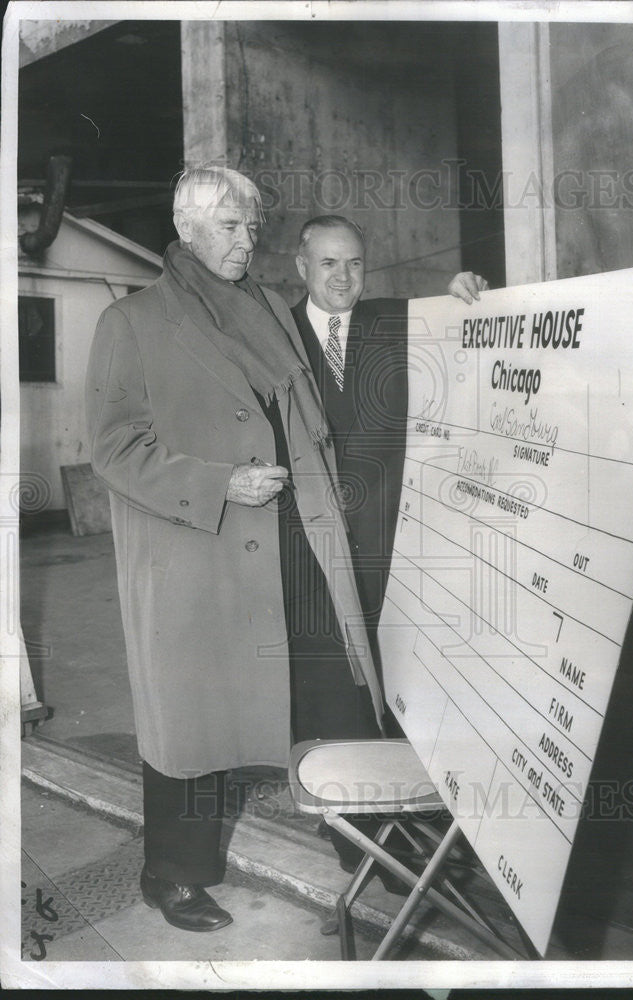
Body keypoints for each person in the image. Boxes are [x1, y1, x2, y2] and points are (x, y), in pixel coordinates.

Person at [85, 167, 384, 932]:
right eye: (228, 226)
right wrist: (221, 483)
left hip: (294, 534)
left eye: (251, 226)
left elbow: (348, 323)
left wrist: (462, 295)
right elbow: (114, 449)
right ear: (186, 229)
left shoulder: (268, 311)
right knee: (193, 723)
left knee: (331, 685)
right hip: (201, 548)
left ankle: (360, 838)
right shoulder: (133, 323)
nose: (245, 240)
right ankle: (174, 873)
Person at [291, 216, 487, 694]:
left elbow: (464, 324)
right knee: (332, 688)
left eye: (355, 263)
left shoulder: (401, 320)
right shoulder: (278, 335)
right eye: (329, 263)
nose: (343, 276)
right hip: (315, 549)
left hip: (394, 547)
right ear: (302, 267)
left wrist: (468, 290)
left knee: (406, 684)